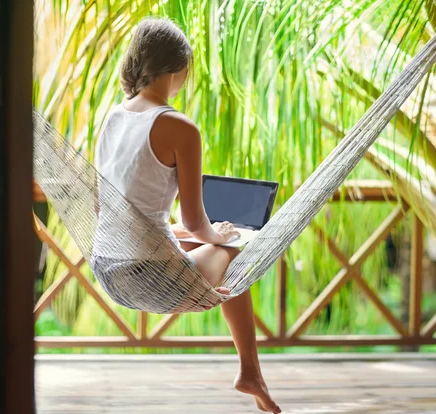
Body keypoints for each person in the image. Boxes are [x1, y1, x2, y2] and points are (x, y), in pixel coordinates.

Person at [93, 17, 281, 414]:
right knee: (238, 253)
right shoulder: (179, 127)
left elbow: (116, 211)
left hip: (108, 269)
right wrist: (218, 237)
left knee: (213, 240)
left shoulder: (110, 118)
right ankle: (250, 370)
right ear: (179, 69)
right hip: (155, 278)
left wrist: (199, 235)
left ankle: (251, 373)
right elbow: (196, 221)